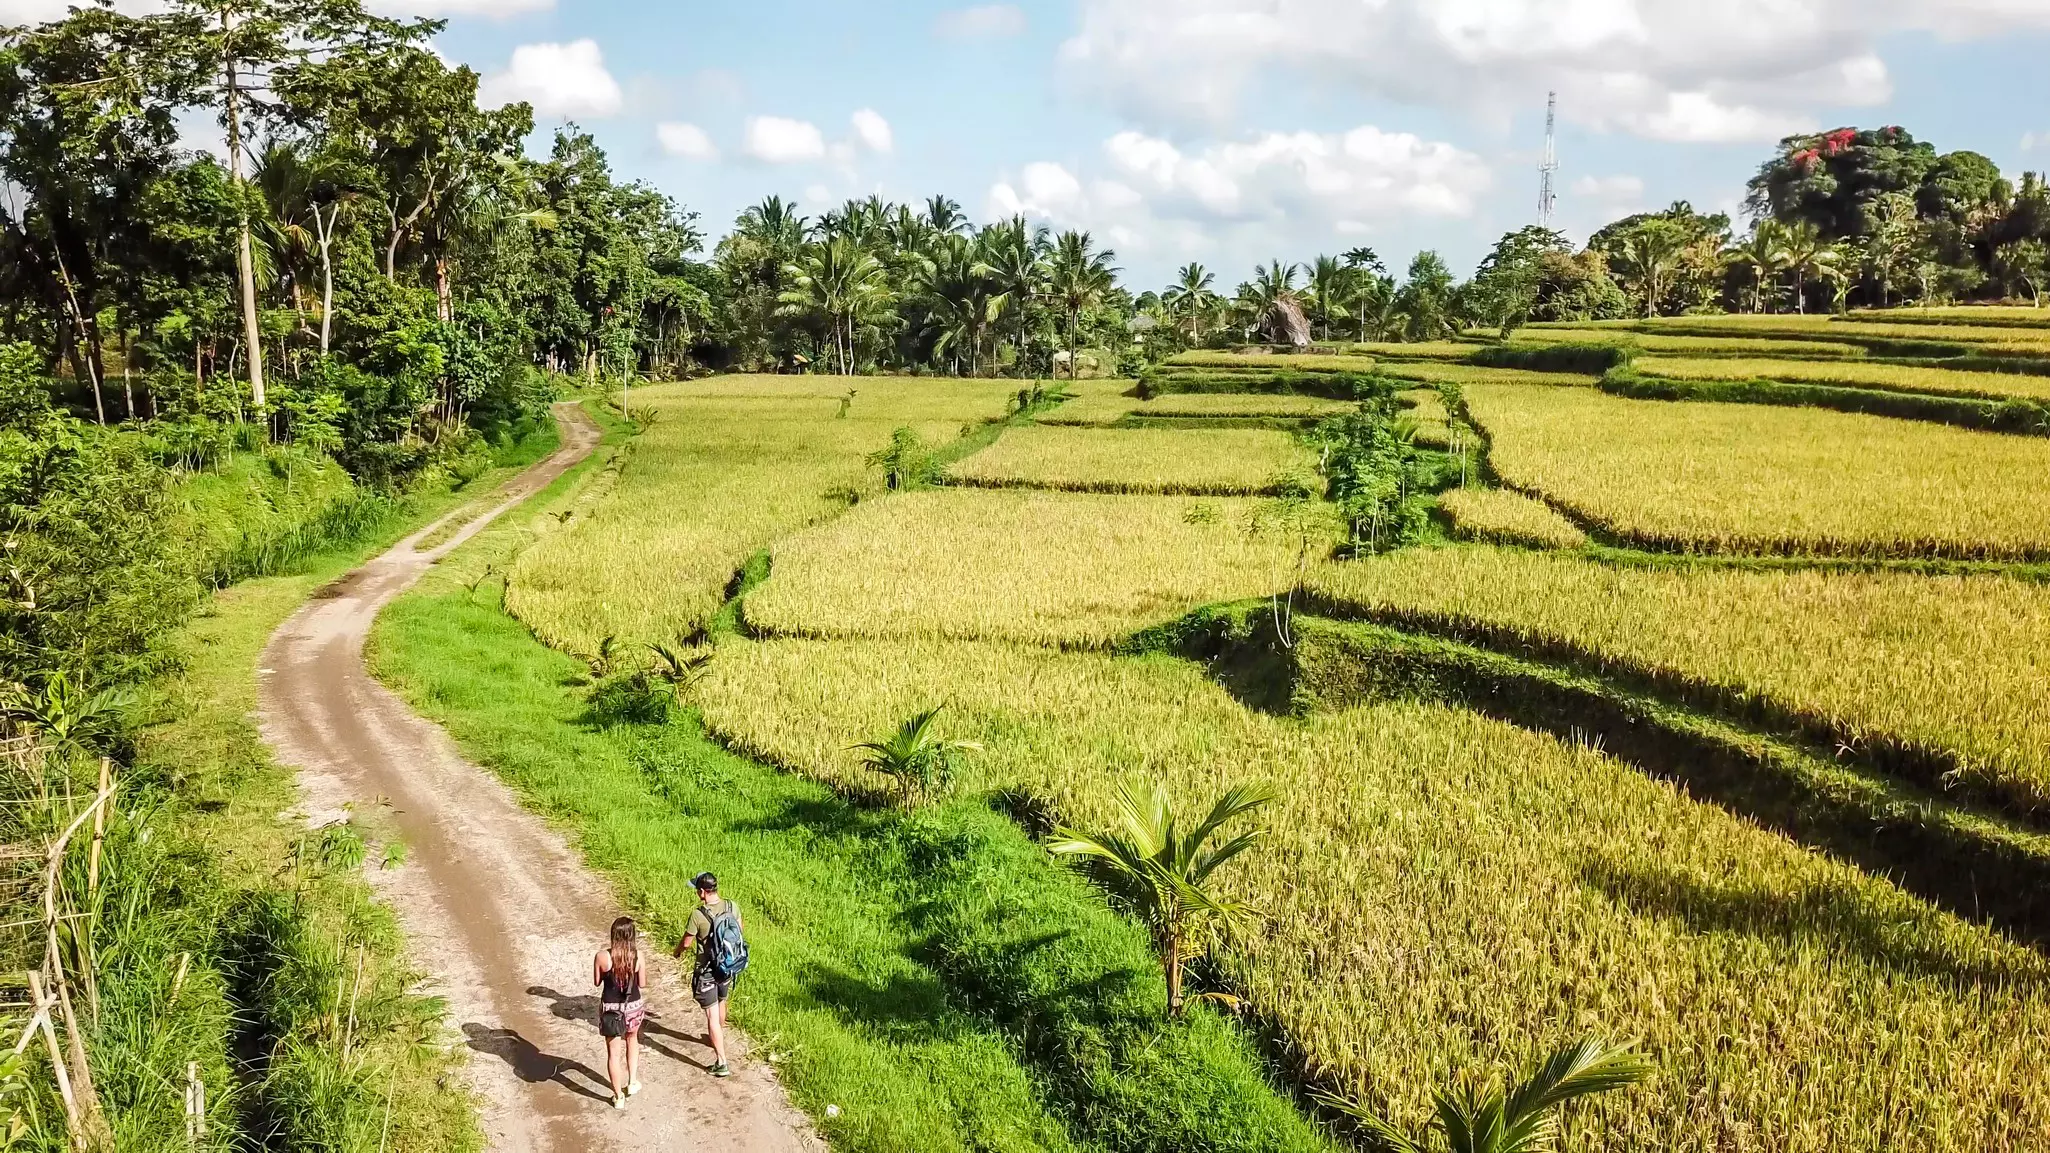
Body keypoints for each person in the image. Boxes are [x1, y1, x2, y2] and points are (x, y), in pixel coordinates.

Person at [672, 872, 745, 1078]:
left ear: (703, 892)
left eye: (697, 889)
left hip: (707, 971)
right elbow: (739, 931)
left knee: (711, 1015)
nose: (696, 892)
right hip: (728, 966)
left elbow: (686, 942)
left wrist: (677, 952)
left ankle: (721, 1062)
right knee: (722, 1001)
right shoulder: (732, 906)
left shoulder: (698, 914)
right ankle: (717, 1035)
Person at [593, 916, 646, 1108]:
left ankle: (618, 1097)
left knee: (613, 1054)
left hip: (611, 1010)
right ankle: (632, 1082)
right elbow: (642, 983)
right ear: (632, 936)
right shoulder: (638, 956)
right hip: (633, 1007)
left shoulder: (602, 957)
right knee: (633, 1040)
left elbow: (597, 982)